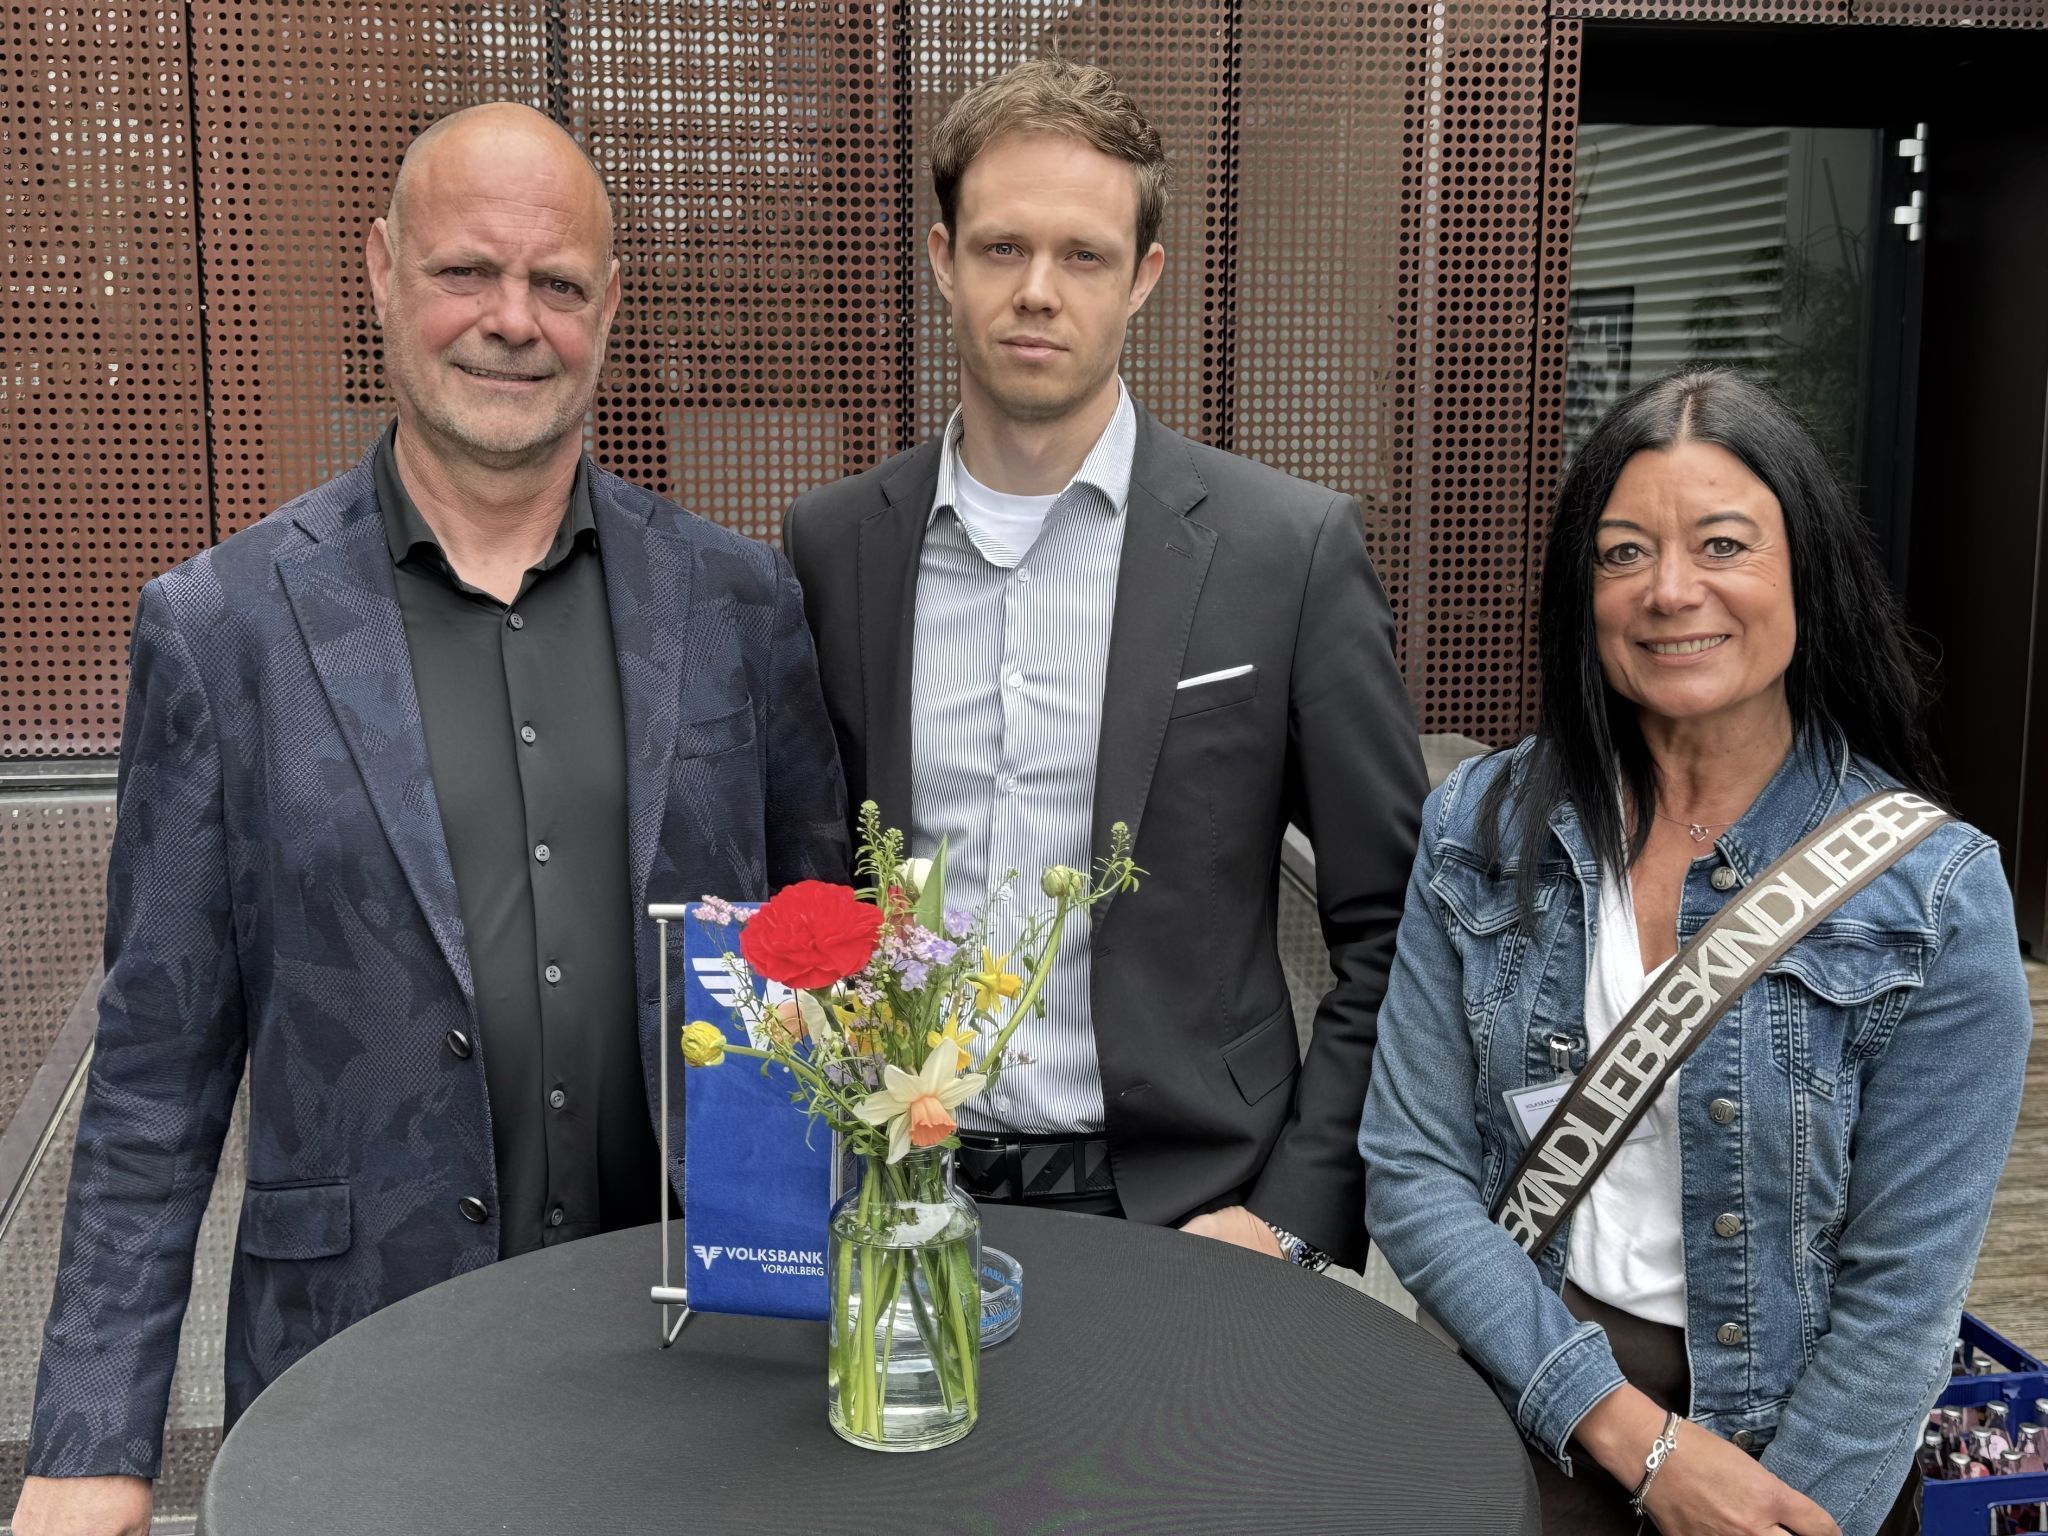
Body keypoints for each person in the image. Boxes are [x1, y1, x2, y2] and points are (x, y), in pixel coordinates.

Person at [14, 103, 847, 1535]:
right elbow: (153, 1078)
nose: (512, 320)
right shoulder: (225, 630)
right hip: (357, 1371)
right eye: (468, 271)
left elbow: (825, 979)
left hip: (704, 1374)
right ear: (384, 273)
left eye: (558, 283)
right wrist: (94, 1445)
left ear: (608, 307)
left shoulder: (737, 605)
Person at [1359, 367, 2031, 1536]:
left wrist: (1790, 1507)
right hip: (1525, 1399)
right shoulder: (1476, 826)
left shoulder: (1936, 895)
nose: (1670, 591)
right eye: (1622, 554)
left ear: (1802, 574)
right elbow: (1411, 1173)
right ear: (1582, 588)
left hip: (1794, 1443)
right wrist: (1631, 1440)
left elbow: (1903, 1301)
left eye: (1722, 544)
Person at [782, 58, 1426, 1272]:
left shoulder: (1281, 552)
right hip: (892, 1190)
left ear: (1143, 279)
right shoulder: (833, 547)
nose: (1036, 292)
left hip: (1191, 1210)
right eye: (999, 248)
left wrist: (1289, 1211)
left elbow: (1392, 922)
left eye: (1081, 256)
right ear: (940, 259)